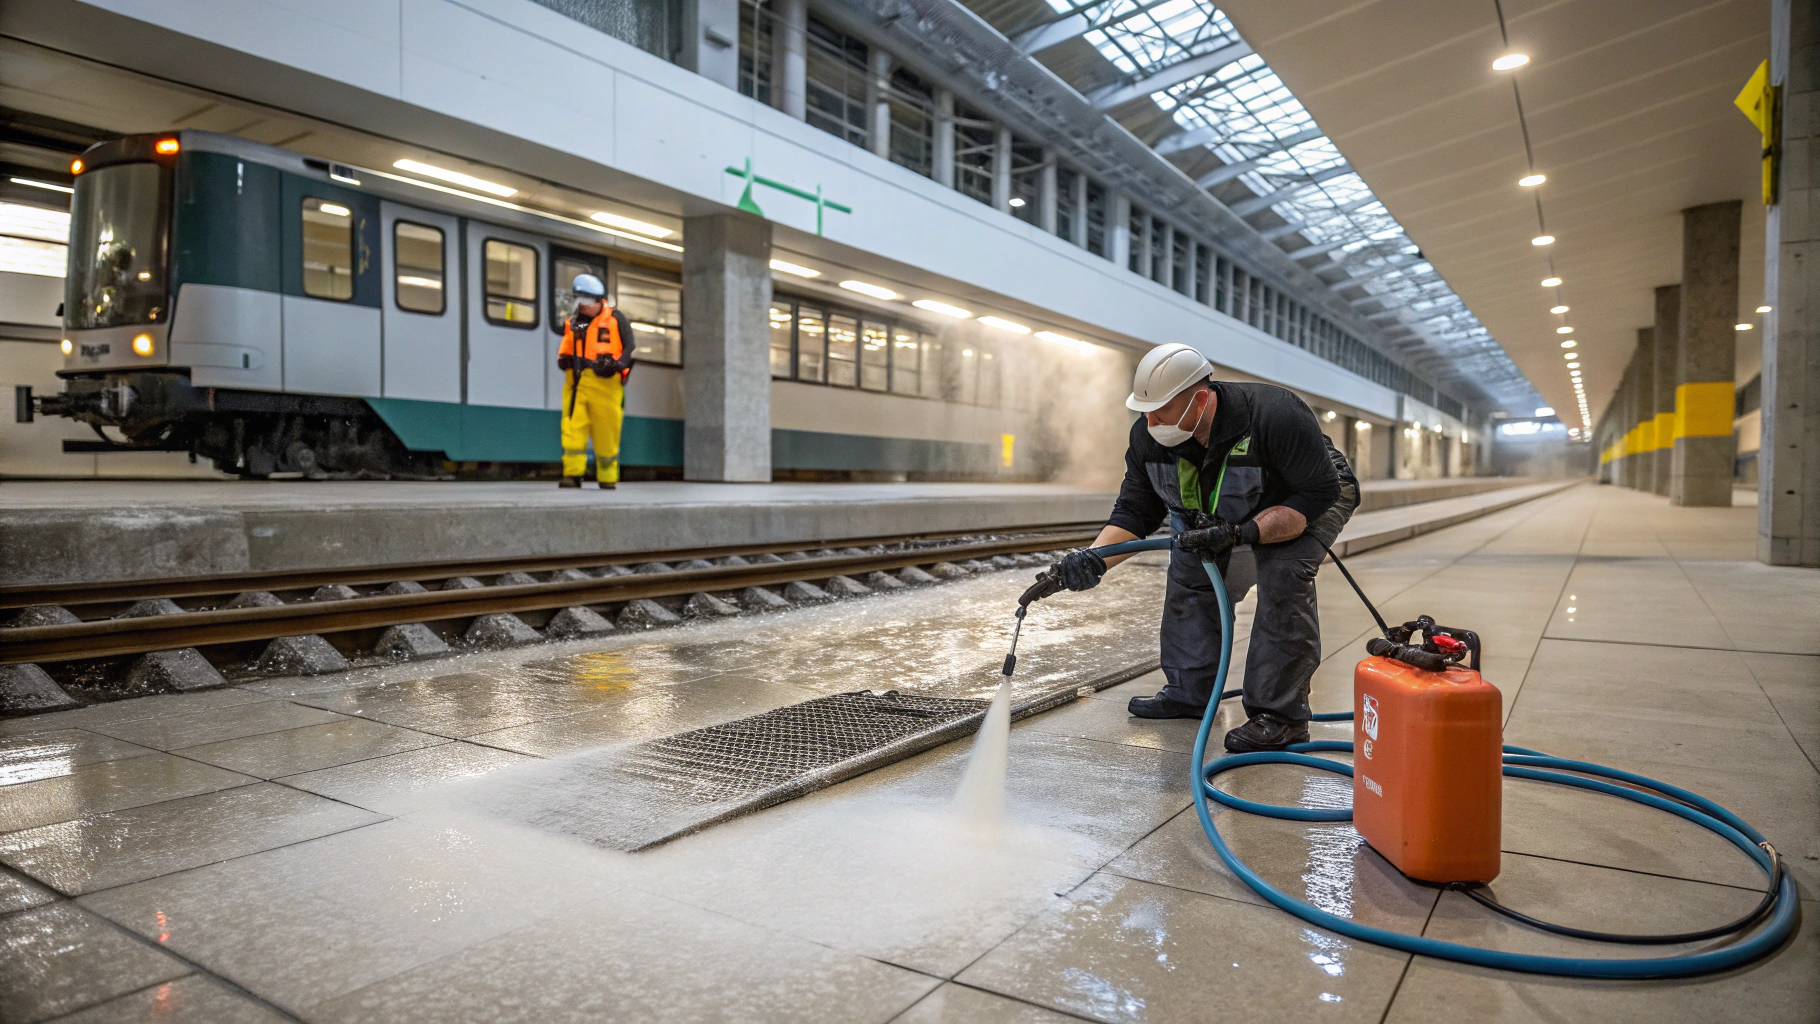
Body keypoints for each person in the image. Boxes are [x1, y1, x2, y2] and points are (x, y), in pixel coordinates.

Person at [1053, 343, 1359, 752]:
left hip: (1309, 493)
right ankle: (1190, 693)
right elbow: (1135, 511)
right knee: (1191, 572)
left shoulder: (1274, 413)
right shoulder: (1150, 436)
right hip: (1233, 504)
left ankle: (1281, 717)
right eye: (1144, 410)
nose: (1150, 420)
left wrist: (1242, 534)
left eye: (1160, 409)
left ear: (1200, 399)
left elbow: (1316, 493)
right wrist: (1094, 559)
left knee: (1282, 573)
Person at [557, 273, 635, 489]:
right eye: (579, 301)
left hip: (607, 385)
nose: (582, 306)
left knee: (607, 433)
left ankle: (608, 478)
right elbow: (566, 349)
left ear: (598, 300)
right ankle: (572, 475)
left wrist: (617, 365)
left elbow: (629, 348)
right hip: (577, 383)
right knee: (573, 429)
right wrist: (565, 360)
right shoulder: (574, 323)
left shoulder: (616, 319)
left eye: (586, 302)